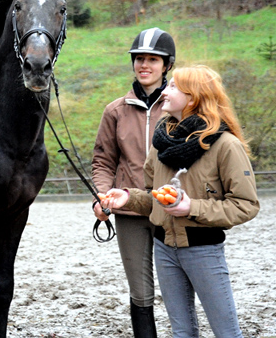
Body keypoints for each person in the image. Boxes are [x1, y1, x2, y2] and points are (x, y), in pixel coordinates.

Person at [104, 65, 260, 338]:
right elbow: (155, 196)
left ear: (193, 98)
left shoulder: (226, 145)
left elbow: (246, 205)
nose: (165, 90)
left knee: (226, 333)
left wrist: (192, 208)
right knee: (182, 332)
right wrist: (128, 197)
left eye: (173, 86)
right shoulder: (161, 143)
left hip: (203, 250)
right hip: (164, 248)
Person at [91, 27, 176, 337]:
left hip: (173, 208)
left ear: (166, 65)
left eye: (153, 60)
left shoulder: (180, 108)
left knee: (179, 288)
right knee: (140, 291)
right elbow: (103, 161)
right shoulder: (115, 111)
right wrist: (102, 197)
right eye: (139, 58)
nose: (144, 65)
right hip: (130, 213)